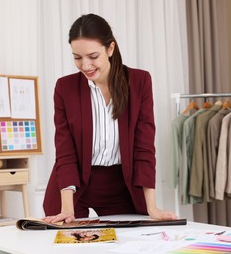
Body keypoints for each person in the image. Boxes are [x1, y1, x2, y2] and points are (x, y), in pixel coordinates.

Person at [43, 13, 177, 224]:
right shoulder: (64, 88)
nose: (85, 65)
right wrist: (67, 209)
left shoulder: (139, 82)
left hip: (120, 185)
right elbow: (65, 151)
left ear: (110, 49)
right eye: (77, 57)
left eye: (93, 56)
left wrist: (152, 207)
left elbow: (144, 147)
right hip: (73, 184)